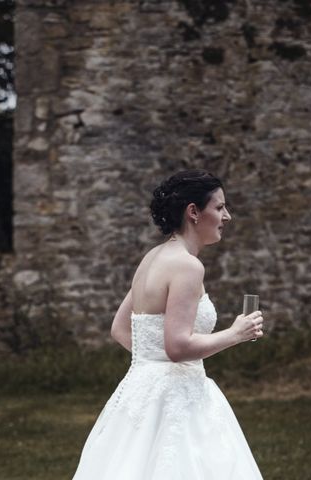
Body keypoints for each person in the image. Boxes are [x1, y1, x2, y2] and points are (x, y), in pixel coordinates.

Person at [72, 169, 265, 479]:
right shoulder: (188, 267)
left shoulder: (152, 258)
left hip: (139, 391)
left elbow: (120, 328)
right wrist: (235, 333)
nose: (227, 216)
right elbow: (177, 347)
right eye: (219, 207)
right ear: (193, 212)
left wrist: (152, 363)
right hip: (177, 395)